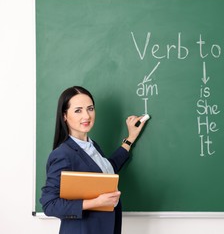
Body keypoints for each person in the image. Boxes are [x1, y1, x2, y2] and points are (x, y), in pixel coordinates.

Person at [40, 86, 147, 234]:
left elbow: (107, 170)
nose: (87, 116)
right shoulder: (63, 154)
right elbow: (49, 205)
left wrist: (130, 138)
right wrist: (96, 203)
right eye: (78, 110)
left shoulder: (92, 145)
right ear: (64, 115)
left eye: (90, 109)